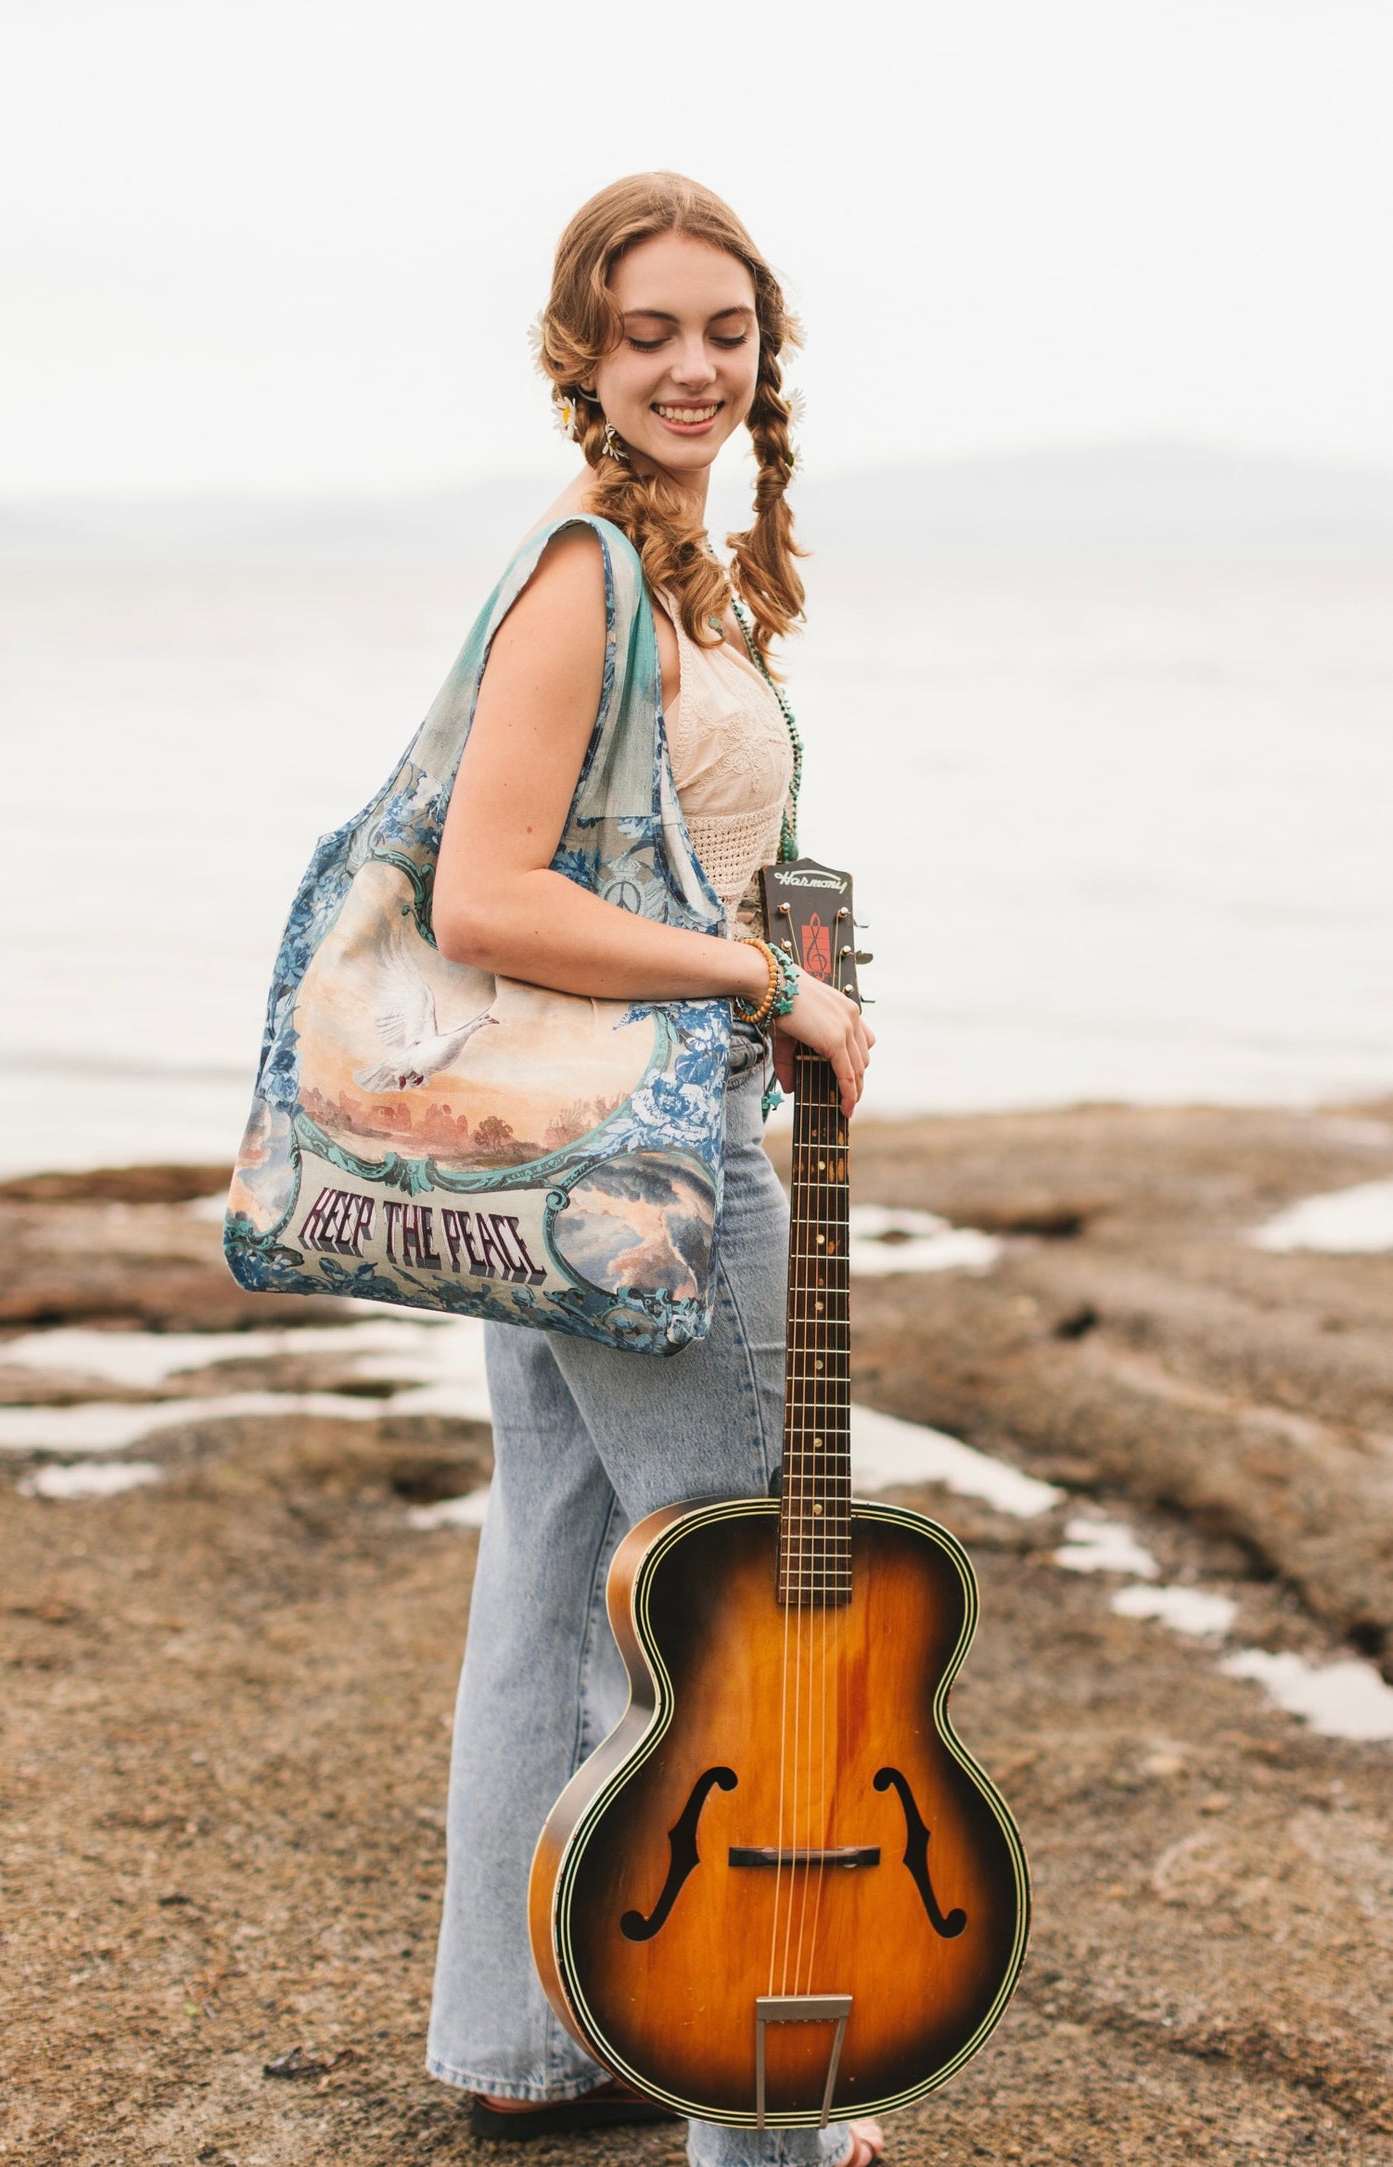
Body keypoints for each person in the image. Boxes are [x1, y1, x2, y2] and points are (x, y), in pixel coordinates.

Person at [424, 172, 879, 2167]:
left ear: (763, 351)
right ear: (583, 358)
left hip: (577, 1154)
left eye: (725, 331)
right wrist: (756, 974)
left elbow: (634, 869)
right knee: (748, 1618)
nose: (694, 365)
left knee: (554, 1576)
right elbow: (483, 898)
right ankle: (761, 2117)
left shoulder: (679, 571)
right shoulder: (586, 573)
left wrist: (766, 965)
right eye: (649, 333)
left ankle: (528, 2044)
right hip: (643, 1164)